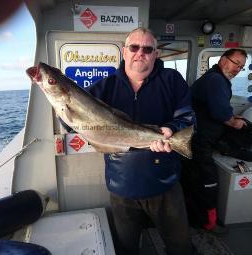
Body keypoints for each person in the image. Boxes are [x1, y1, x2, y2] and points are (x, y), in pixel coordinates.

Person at [87, 28, 196, 255]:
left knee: (181, 247)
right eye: (134, 47)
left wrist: (171, 130)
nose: (140, 53)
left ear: (155, 54)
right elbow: (72, 118)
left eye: (147, 49)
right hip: (122, 186)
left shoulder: (172, 80)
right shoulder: (104, 87)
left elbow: (188, 117)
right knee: (126, 249)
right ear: (125, 52)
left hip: (165, 183)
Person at [184, 49, 247, 232]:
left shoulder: (214, 78)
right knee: (207, 180)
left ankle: (192, 216)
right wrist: (237, 123)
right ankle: (208, 223)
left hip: (195, 137)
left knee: (193, 178)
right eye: (236, 63)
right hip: (199, 140)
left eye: (241, 67)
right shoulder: (216, 80)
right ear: (222, 60)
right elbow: (221, 113)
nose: (238, 69)